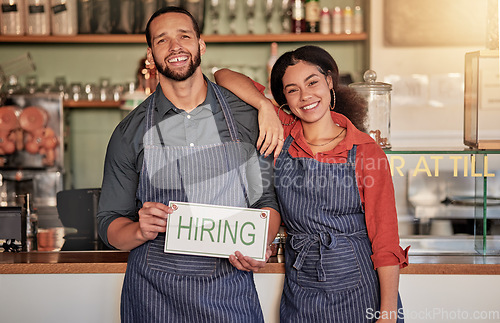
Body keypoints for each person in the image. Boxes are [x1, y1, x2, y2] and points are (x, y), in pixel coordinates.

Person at [96, 6, 282, 322]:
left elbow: (265, 201)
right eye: (162, 40)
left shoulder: (245, 117)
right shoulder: (130, 132)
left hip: (230, 293)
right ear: (150, 55)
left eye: (184, 36)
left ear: (201, 45)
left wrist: (260, 241)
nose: (175, 47)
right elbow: (109, 221)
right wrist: (139, 230)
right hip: (154, 297)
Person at [214, 45, 409, 322]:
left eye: (312, 82)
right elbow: (223, 75)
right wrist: (263, 106)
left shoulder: (365, 151)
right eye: (292, 89)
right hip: (302, 290)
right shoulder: (282, 133)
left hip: (360, 288)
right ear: (285, 98)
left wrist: (388, 312)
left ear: (329, 82)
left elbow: (386, 240)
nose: (305, 96)